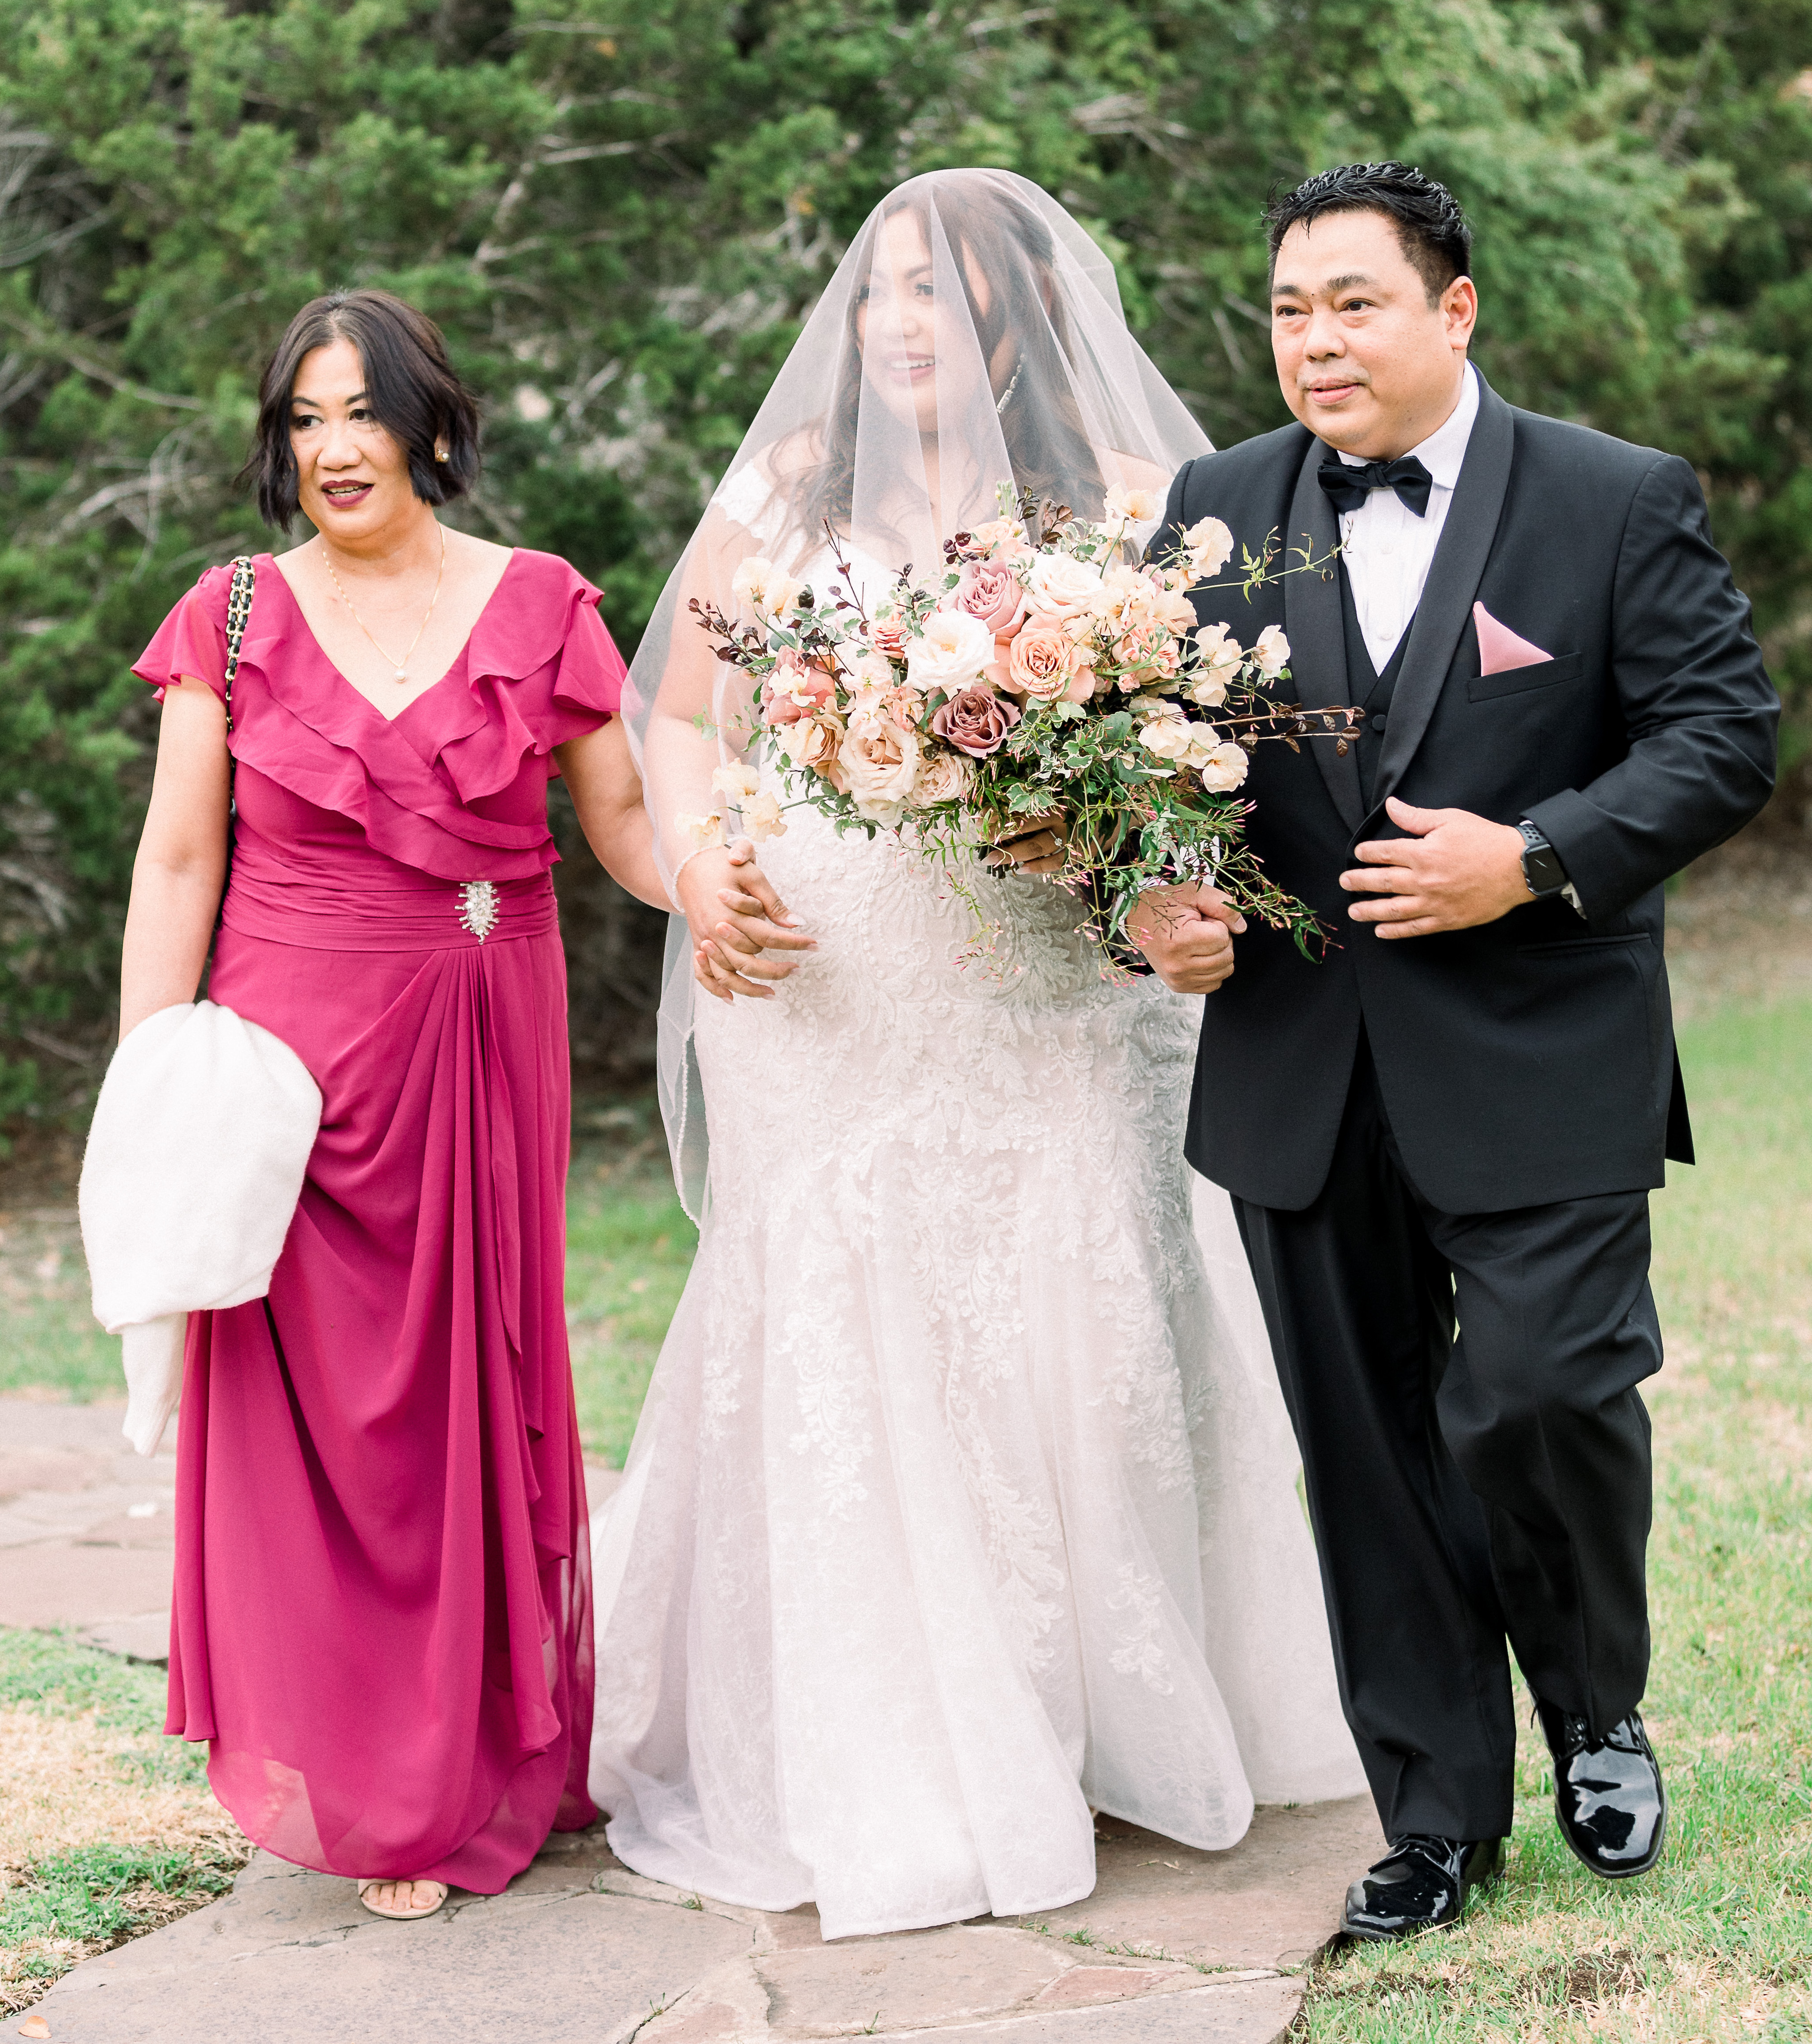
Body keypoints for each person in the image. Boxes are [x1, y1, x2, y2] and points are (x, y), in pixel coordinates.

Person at [587, 168, 1365, 1943]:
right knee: (857, 1323)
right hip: (825, 988)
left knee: (1077, 1311)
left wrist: (1117, 853)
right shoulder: (781, 498)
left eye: (940, 291)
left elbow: (1205, 756)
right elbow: (677, 721)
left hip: (1044, 982)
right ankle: (895, 1748)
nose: (904, 322)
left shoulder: (1124, 508)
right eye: (881, 293)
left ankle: (1100, 1710)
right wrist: (702, 867)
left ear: (1020, 313)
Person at [1139, 162, 1779, 1939]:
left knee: (1542, 1394)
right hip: (1294, 1067)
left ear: (1454, 310)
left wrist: (1539, 855)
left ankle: (1591, 1706)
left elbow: (1723, 736)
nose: (1315, 340)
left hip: (1538, 1055)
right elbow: (1131, 774)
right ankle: (1432, 1818)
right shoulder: (1209, 511)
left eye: (1352, 302)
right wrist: (1146, 905)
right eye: (1287, 310)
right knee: (1362, 1453)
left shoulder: (1610, 498)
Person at [122, 287, 668, 1920]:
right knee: (314, 1425)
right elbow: (177, 856)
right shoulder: (227, 615)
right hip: (286, 1064)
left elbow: (629, 825)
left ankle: (485, 1754)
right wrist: (156, 1072)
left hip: (484, 1037)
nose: (333, 448)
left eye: (362, 411)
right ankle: (364, 1782)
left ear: (431, 422)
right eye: (304, 419)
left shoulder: (542, 601)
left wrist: (744, 895)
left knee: (468, 1390)